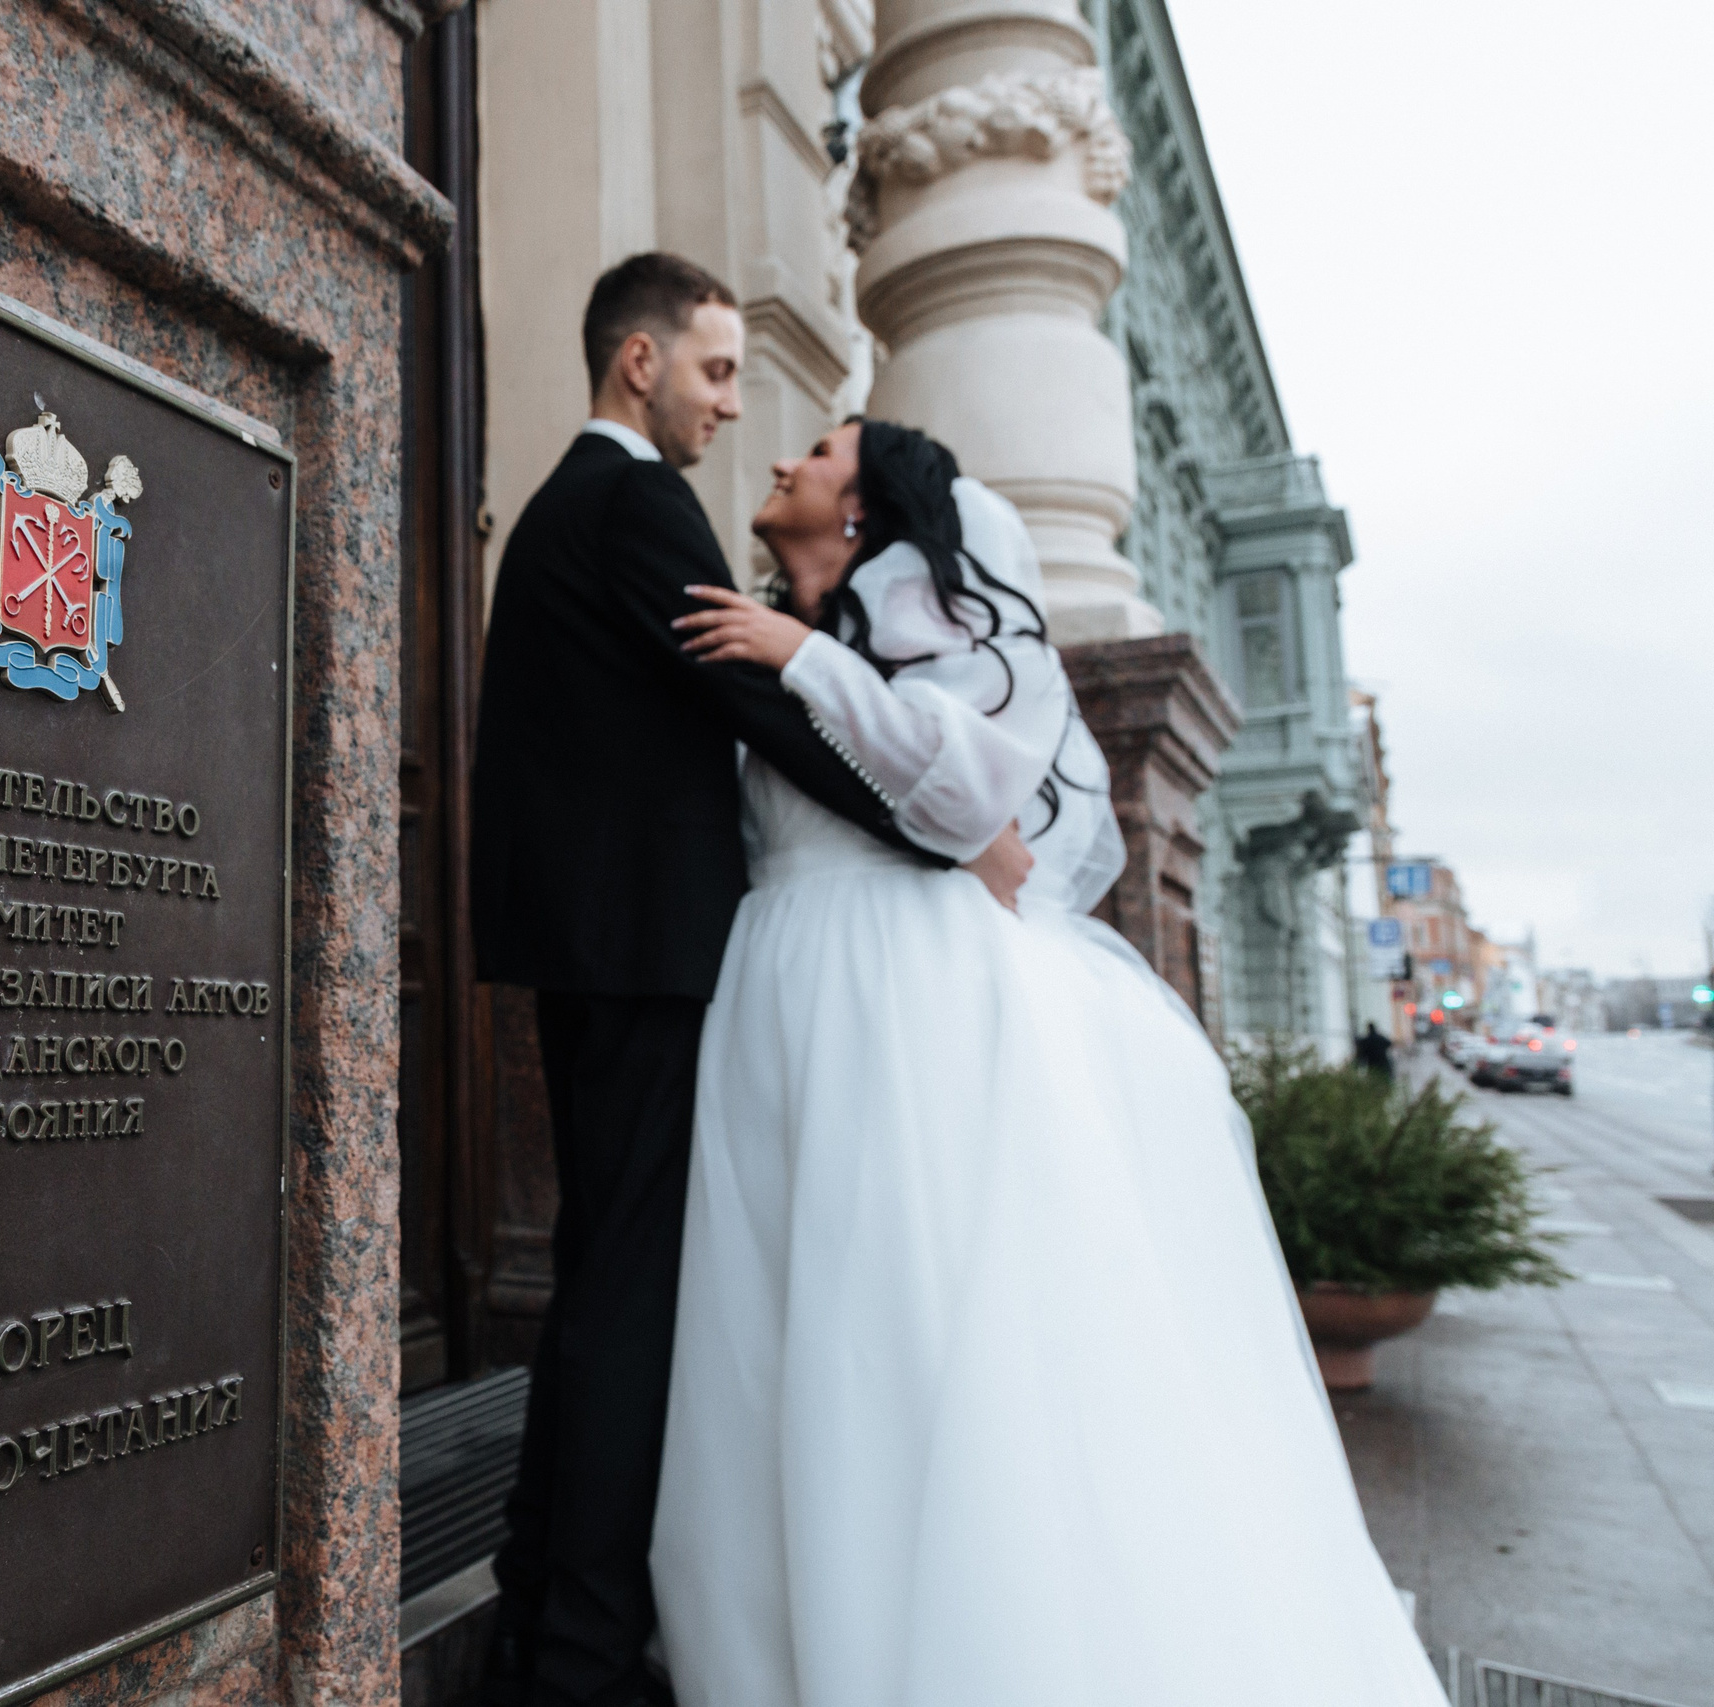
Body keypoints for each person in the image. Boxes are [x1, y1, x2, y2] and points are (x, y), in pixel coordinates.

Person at [647, 418, 1451, 1707]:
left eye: (819, 446)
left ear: (864, 509)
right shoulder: (779, 623)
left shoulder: (918, 609)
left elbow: (976, 799)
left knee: (896, 1320)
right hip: (780, 978)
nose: (783, 456)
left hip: (892, 987)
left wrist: (806, 655)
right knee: (777, 1334)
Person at [468, 258, 1031, 1707]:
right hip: (648, 955)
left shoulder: (556, 510)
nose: (736, 404)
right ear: (640, 363)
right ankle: (577, 1659)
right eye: (719, 373)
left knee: (608, 1279)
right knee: (622, 1304)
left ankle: (542, 1594)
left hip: (597, 948)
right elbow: (750, 703)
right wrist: (937, 825)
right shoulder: (635, 503)